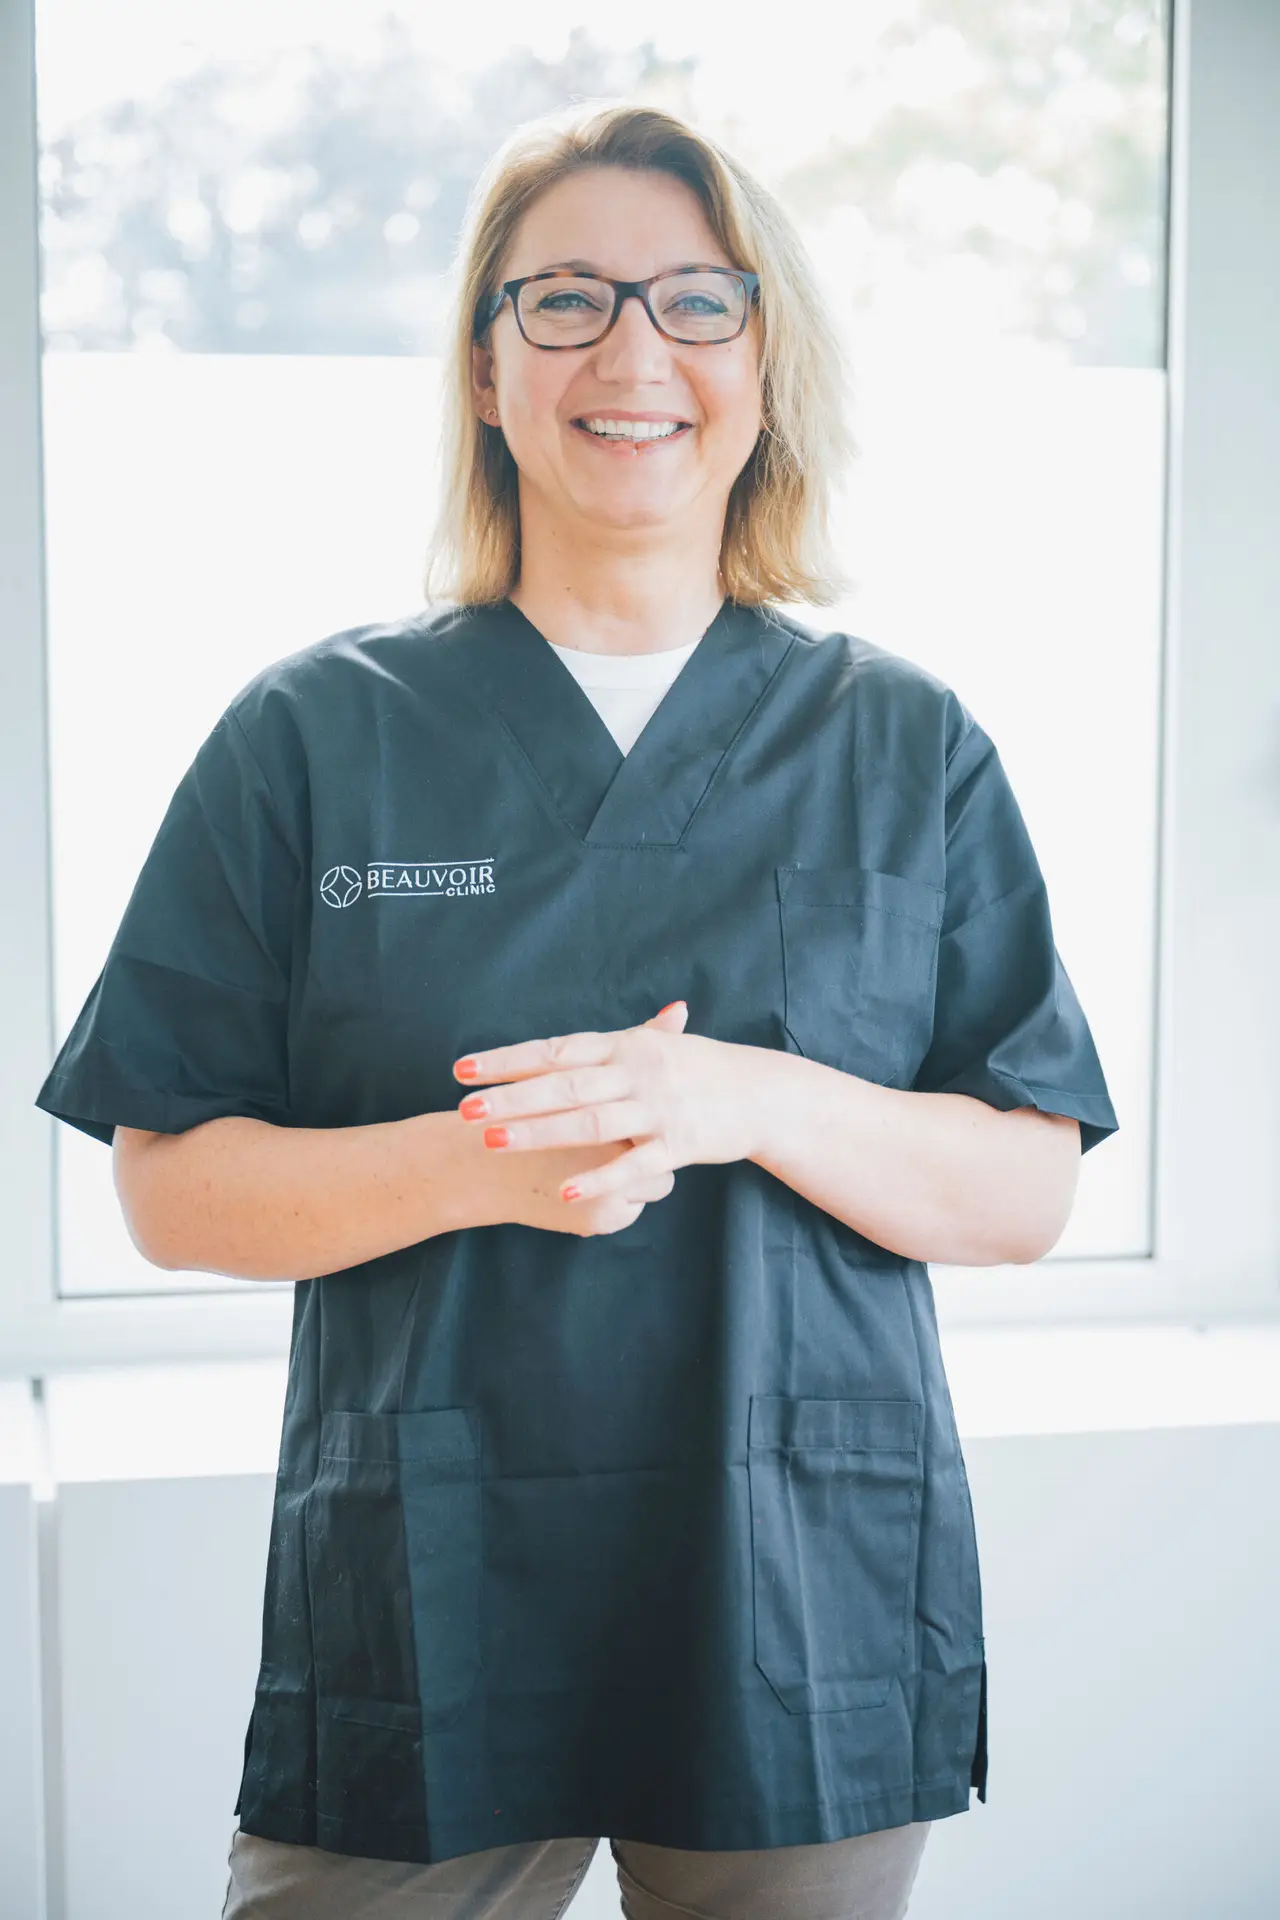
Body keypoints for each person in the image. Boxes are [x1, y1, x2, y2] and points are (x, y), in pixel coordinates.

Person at [34, 100, 1119, 1920]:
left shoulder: (902, 745)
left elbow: (1023, 1186)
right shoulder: (313, 739)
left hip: (794, 1584)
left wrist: (742, 1097)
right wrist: (488, 1165)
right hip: (429, 1582)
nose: (636, 353)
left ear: (769, 363)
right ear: (483, 362)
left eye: (700, 302)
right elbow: (173, 1183)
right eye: (568, 301)